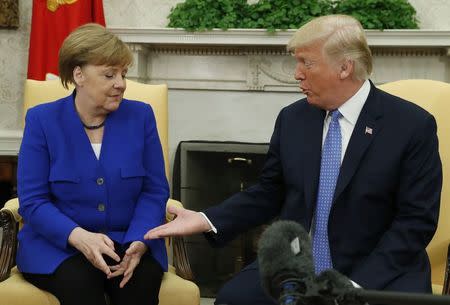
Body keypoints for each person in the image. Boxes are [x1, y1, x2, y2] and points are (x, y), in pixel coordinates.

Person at [144, 14, 442, 305]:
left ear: (344, 67)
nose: (297, 74)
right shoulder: (293, 119)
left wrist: (354, 287)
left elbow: (415, 223)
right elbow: (268, 192)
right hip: (298, 264)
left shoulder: (411, 126)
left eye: (306, 63)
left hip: (378, 268)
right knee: (233, 298)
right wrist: (206, 219)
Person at [17, 23, 169, 305]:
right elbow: (33, 201)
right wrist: (77, 236)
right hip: (59, 247)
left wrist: (139, 241)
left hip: (129, 240)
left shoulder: (141, 117)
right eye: (109, 74)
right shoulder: (42, 121)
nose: (121, 83)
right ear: (79, 75)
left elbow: (154, 191)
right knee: (81, 287)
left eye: (123, 73)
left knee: (137, 289)